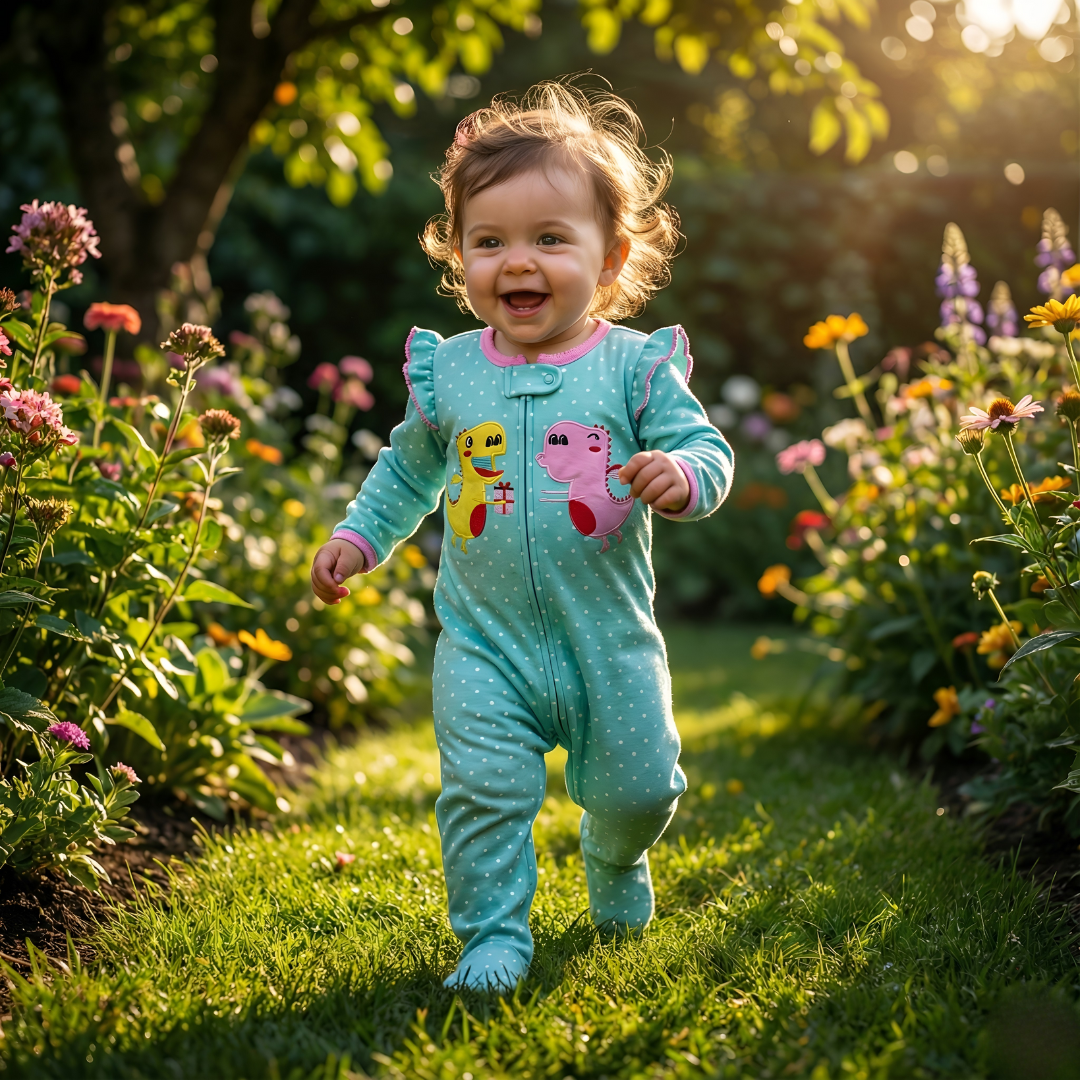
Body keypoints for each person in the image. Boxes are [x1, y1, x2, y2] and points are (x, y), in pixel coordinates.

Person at [311, 81, 733, 990]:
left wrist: (686, 474)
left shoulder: (634, 365)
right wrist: (358, 537)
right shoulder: (451, 373)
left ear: (611, 257)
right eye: (489, 241)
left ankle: (616, 856)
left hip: (606, 639)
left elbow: (703, 445)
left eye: (550, 238)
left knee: (639, 790)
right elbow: (407, 468)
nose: (517, 262)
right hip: (483, 641)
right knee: (485, 794)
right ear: (458, 253)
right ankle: (493, 935)